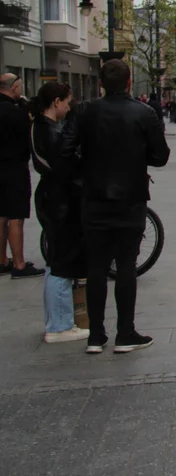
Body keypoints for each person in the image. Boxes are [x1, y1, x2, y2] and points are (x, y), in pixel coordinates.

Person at [61, 59, 170, 354]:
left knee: (96, 266)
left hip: (94, 199)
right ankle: (125, 333)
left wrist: (83, 173)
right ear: (129, 82)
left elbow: (64, 150)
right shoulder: (143, 112)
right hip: (131, 199)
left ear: (100, 84)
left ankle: (95, 336)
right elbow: (161, 156)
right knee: (125, 265)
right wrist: (136, 156)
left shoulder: (85, 111)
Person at [30, 82, 88, 343]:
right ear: (55, 102)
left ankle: (57, 322)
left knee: (56, 261)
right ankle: (60, 325)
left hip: (49, 196)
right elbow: (66, 166)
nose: (68, 106)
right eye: (66, 102)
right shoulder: (50, 132)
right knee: (61, 262)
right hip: (58, 199)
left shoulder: (40, 127)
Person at [0, 73, 44, 278]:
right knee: (16, 217)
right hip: (14, 168)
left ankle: (2, 260)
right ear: (15, 87)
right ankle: (18, 264)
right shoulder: (17, 114)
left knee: (1, 216)